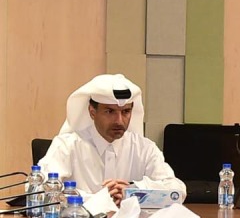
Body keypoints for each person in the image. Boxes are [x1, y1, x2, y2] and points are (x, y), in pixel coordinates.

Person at [40, 73, 185, 204]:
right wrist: (98, 199)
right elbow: (39, 191)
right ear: (92, 112)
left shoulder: (144, 148)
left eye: (126, 112)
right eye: (110, 111)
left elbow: (177, 192)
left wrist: (134, 192)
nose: (119, 121)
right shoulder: (67, 145)